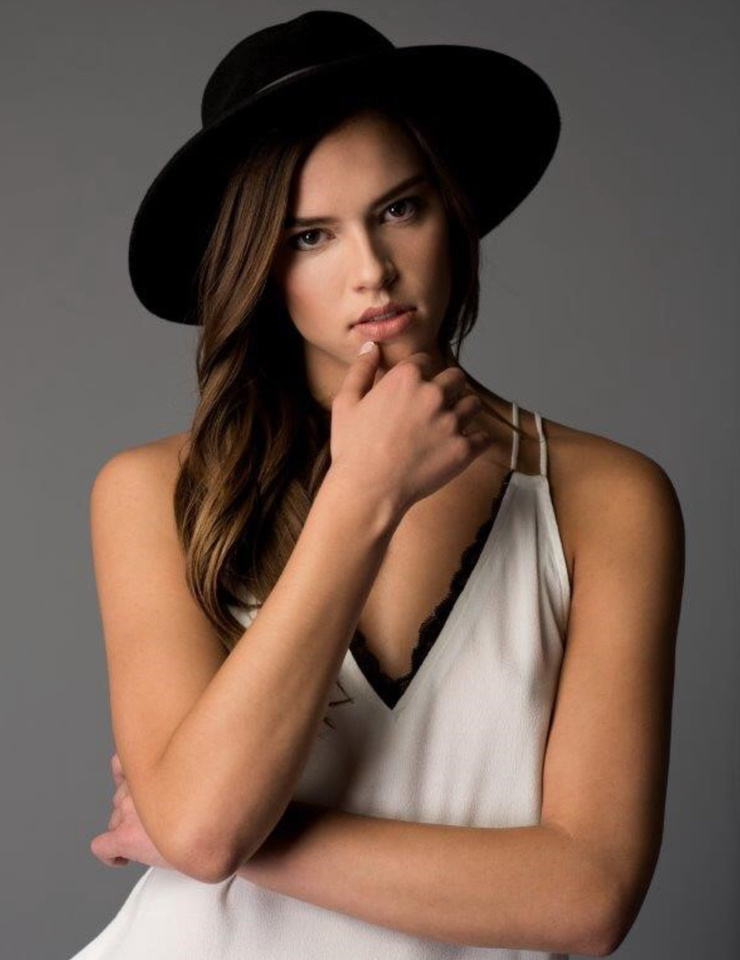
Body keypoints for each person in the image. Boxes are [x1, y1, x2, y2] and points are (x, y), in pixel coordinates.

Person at [69, 10, 684, 960]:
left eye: (400, 209)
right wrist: (363, 495)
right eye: (310, 235)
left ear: (453, 211)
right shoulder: (153, 492)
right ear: (259, 266)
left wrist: (228, 840)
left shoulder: (605, 499)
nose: (372, 271)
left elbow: (589, 898)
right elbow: (202, 832)